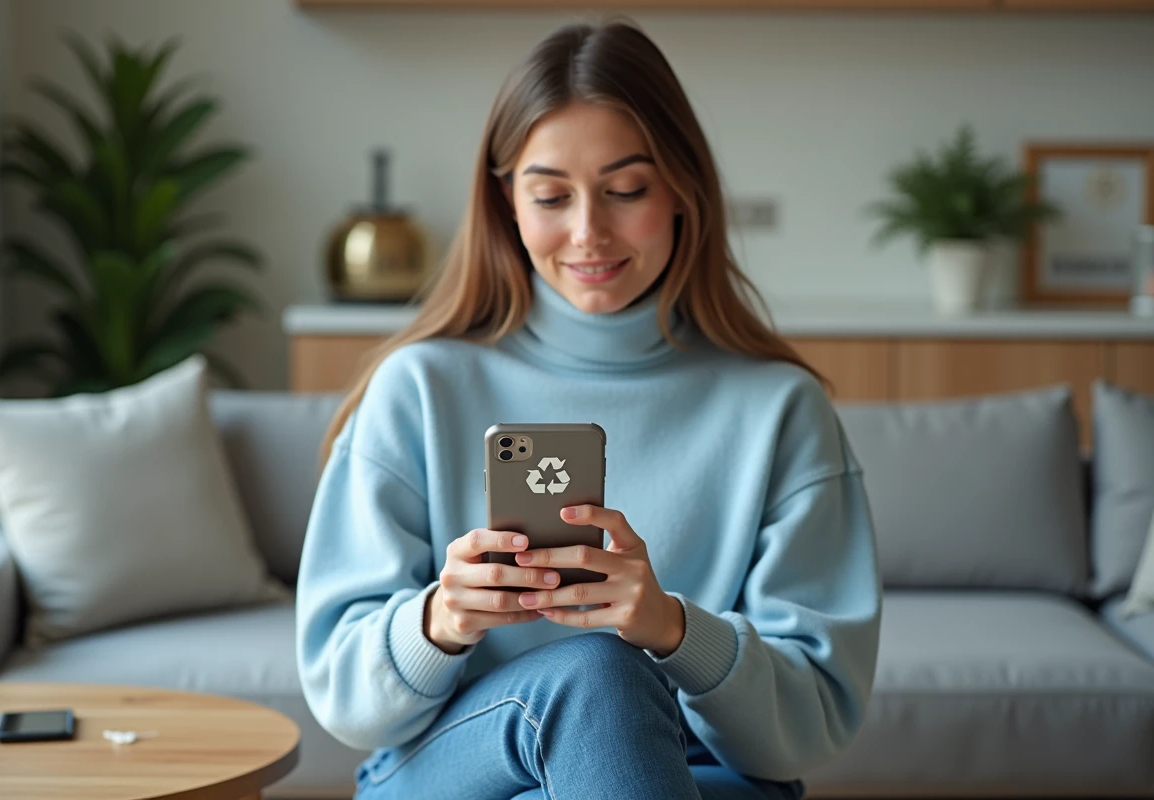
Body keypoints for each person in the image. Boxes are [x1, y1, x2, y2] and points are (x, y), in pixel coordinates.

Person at [296, 19, 881, 800]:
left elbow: (815, 722)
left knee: (606, 694)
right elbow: (345, 697)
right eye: (549, 196)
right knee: (595, 672)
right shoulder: (420, 387)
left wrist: (675, 630)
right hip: (459, 772)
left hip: (698, 780)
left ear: (682, 189)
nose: (587, 232)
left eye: (626, 190)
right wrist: (441, 620)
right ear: (506, 201)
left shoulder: (780, 410)